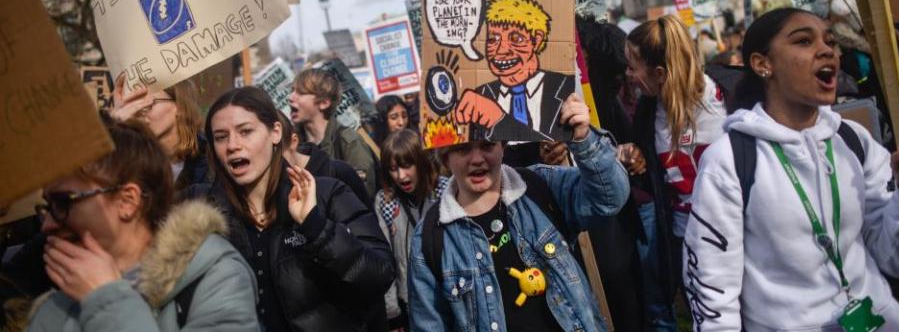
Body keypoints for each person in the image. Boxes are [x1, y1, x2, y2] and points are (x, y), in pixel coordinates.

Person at [684, 7, 899, 331]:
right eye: (803, 41)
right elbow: (712, 288)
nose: (826, 51)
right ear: (763, 64)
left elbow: (895, 260)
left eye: (829, 41)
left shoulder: (853, 140)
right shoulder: (730, 160)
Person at [407, 93, 629, 332]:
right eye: (463, 149)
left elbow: (609, 199)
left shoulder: (540, 185)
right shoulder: (430, 237)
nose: (477, 158)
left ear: (503, 145)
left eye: (487, 144)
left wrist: (584, 139)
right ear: (445, 156)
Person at [27, 117, 258, 331]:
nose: (47, 224)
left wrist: (107, 301)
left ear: (127, 201)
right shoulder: (55, 306)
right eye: (47, 206)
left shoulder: (216, 277)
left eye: (62, 202)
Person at [206, 86, 394, 332]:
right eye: (221, 137)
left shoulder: (328, 194)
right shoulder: (208, 214)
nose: (232, 145)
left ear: (275, 133)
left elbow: (379, 274)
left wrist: (316, 227)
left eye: (245, 131)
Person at [625, 14, 727, 330]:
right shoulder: (646, 112)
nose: (627, 75)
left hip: (737, 234)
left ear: (659, 73)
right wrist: (636, 159)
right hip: (686, 243)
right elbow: (655, 179)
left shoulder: (731, 94)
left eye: (633, 66)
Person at [453, 0, 575, 167]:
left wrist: (562, 151)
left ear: (537, 39)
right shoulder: (477, 98)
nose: (502, 50)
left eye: (515, 39)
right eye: (493, 40)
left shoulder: (565, 87)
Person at [375, 129, 450, 330]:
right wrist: (392, 311)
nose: (401, 175)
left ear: (421, 161)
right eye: (393, 169)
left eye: (407, 166)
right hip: (413, 303)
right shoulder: (385, 202)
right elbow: (385, 259)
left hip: (450, 294)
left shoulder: (446, 191)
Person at [110, 73, 210, 192]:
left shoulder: (212, 158)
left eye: (148, 103)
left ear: (180, 106)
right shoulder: (128, 157)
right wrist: (113, 128)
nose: (138, 111)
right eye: (133, 104)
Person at [289, 68, 379, 198]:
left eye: (301, 93)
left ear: (324, 103)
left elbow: (362, 195)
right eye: (292, 91)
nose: (291, 97)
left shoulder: (348, 142)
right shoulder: (293, 144)